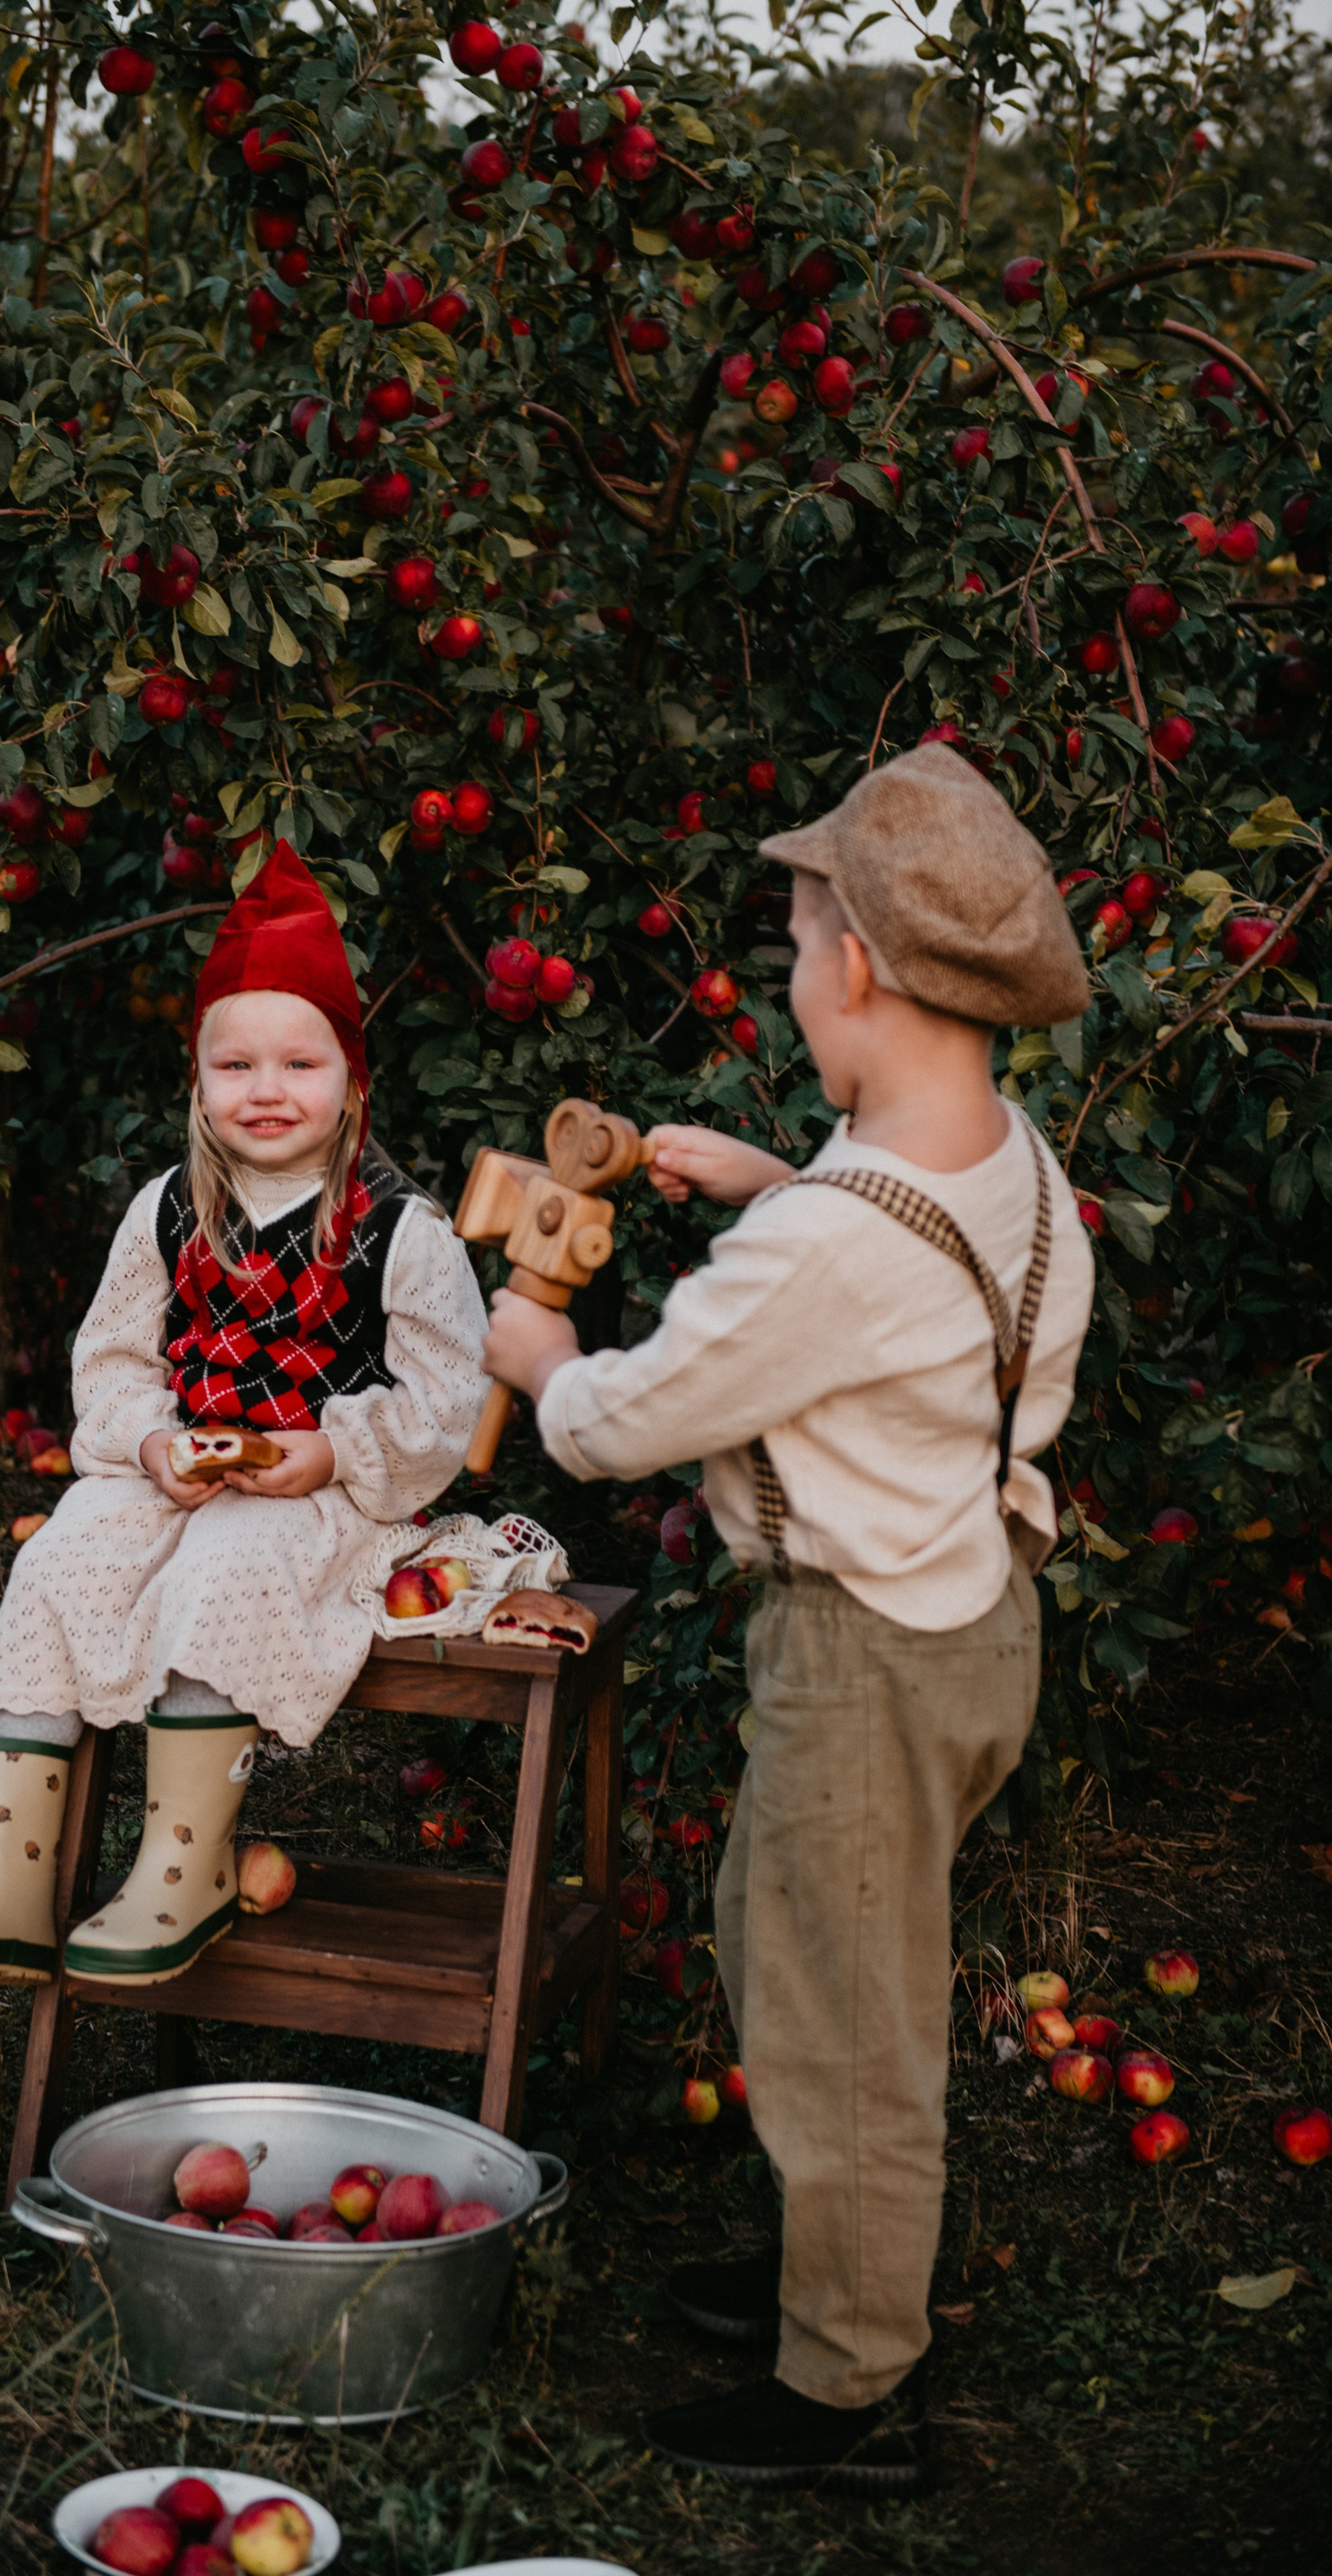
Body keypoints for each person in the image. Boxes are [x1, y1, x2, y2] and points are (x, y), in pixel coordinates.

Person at [481, 743, 1095, 2493]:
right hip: (977, 1618)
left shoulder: (827, 1245)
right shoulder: (1009, 1167)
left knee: (844, 2006)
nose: (791, 973)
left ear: (862, 971)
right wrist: (775, 1189)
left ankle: (847, 2389)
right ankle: (832, 2252)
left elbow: (618, 1421)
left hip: (864, 1654)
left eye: (798, 939)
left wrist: (547, 1361)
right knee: (790, 1935)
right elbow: (915, 1296)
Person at [0, 842, 488, 1990]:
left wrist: (331, 1449)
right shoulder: (166, 1210)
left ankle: (181, 1871)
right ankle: (5, 1878)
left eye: (300, 1062)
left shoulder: (406, 1233)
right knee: (61, 1558)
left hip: (329, 1498)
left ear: (352, 1076)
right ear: (197, 1078)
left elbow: (445, 1403)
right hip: (180, 1474)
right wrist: (151, 1439)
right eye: (235, 1063)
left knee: (230, 1567)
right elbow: (107, 1360)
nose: (266, 1090)